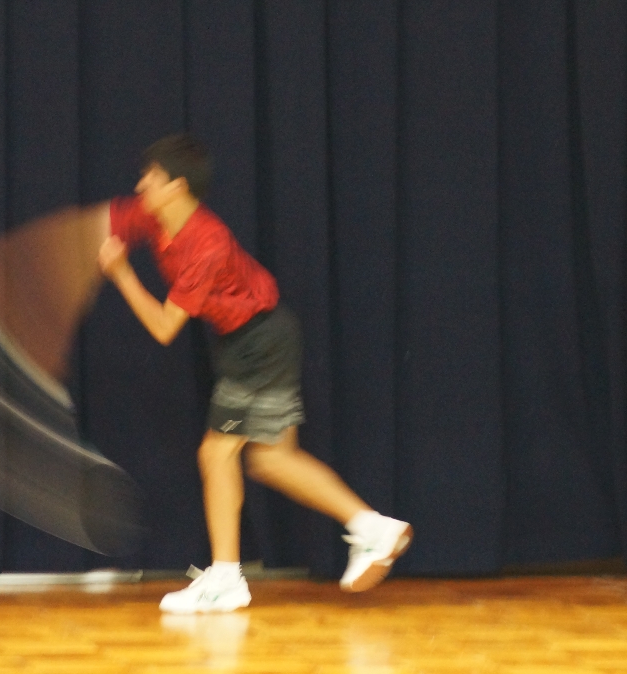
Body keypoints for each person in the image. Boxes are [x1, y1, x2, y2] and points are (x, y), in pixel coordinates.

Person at [98, 133, 413, 613]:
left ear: (177, 187)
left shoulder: (206, 244)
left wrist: (121, 274)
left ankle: (227, 576)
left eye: (153, 177)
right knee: (270, 460)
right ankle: (373, 527)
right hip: (256, 341)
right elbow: (102, 222)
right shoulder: (155, 214)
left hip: (259, 344)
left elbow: (165, 328)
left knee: (216, 452)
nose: (142, 183)